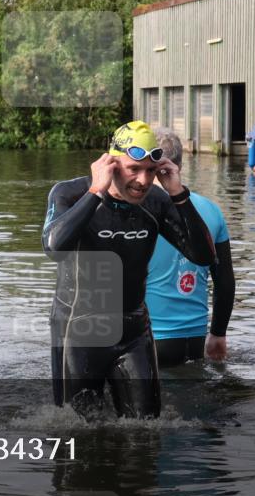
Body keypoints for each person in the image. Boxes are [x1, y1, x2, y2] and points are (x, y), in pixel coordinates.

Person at [42, 120, 217, 419]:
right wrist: (96, 191)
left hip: (134, 330)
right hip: (79, 330)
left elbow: (203, 256)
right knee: (78, 431)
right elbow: (54, 247)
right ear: (110, 163)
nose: (143, 180)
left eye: (150, 171)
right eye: (133, 169)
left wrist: (178, 194)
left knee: (147, 429)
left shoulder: (156, 203)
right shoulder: (70, 194)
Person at [145, 128, 235, 367]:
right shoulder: (211, 210)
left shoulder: (139, 212)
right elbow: (224, 280)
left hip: (149, 340)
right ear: (179, 165)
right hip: (195, 340)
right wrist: (218, 334)